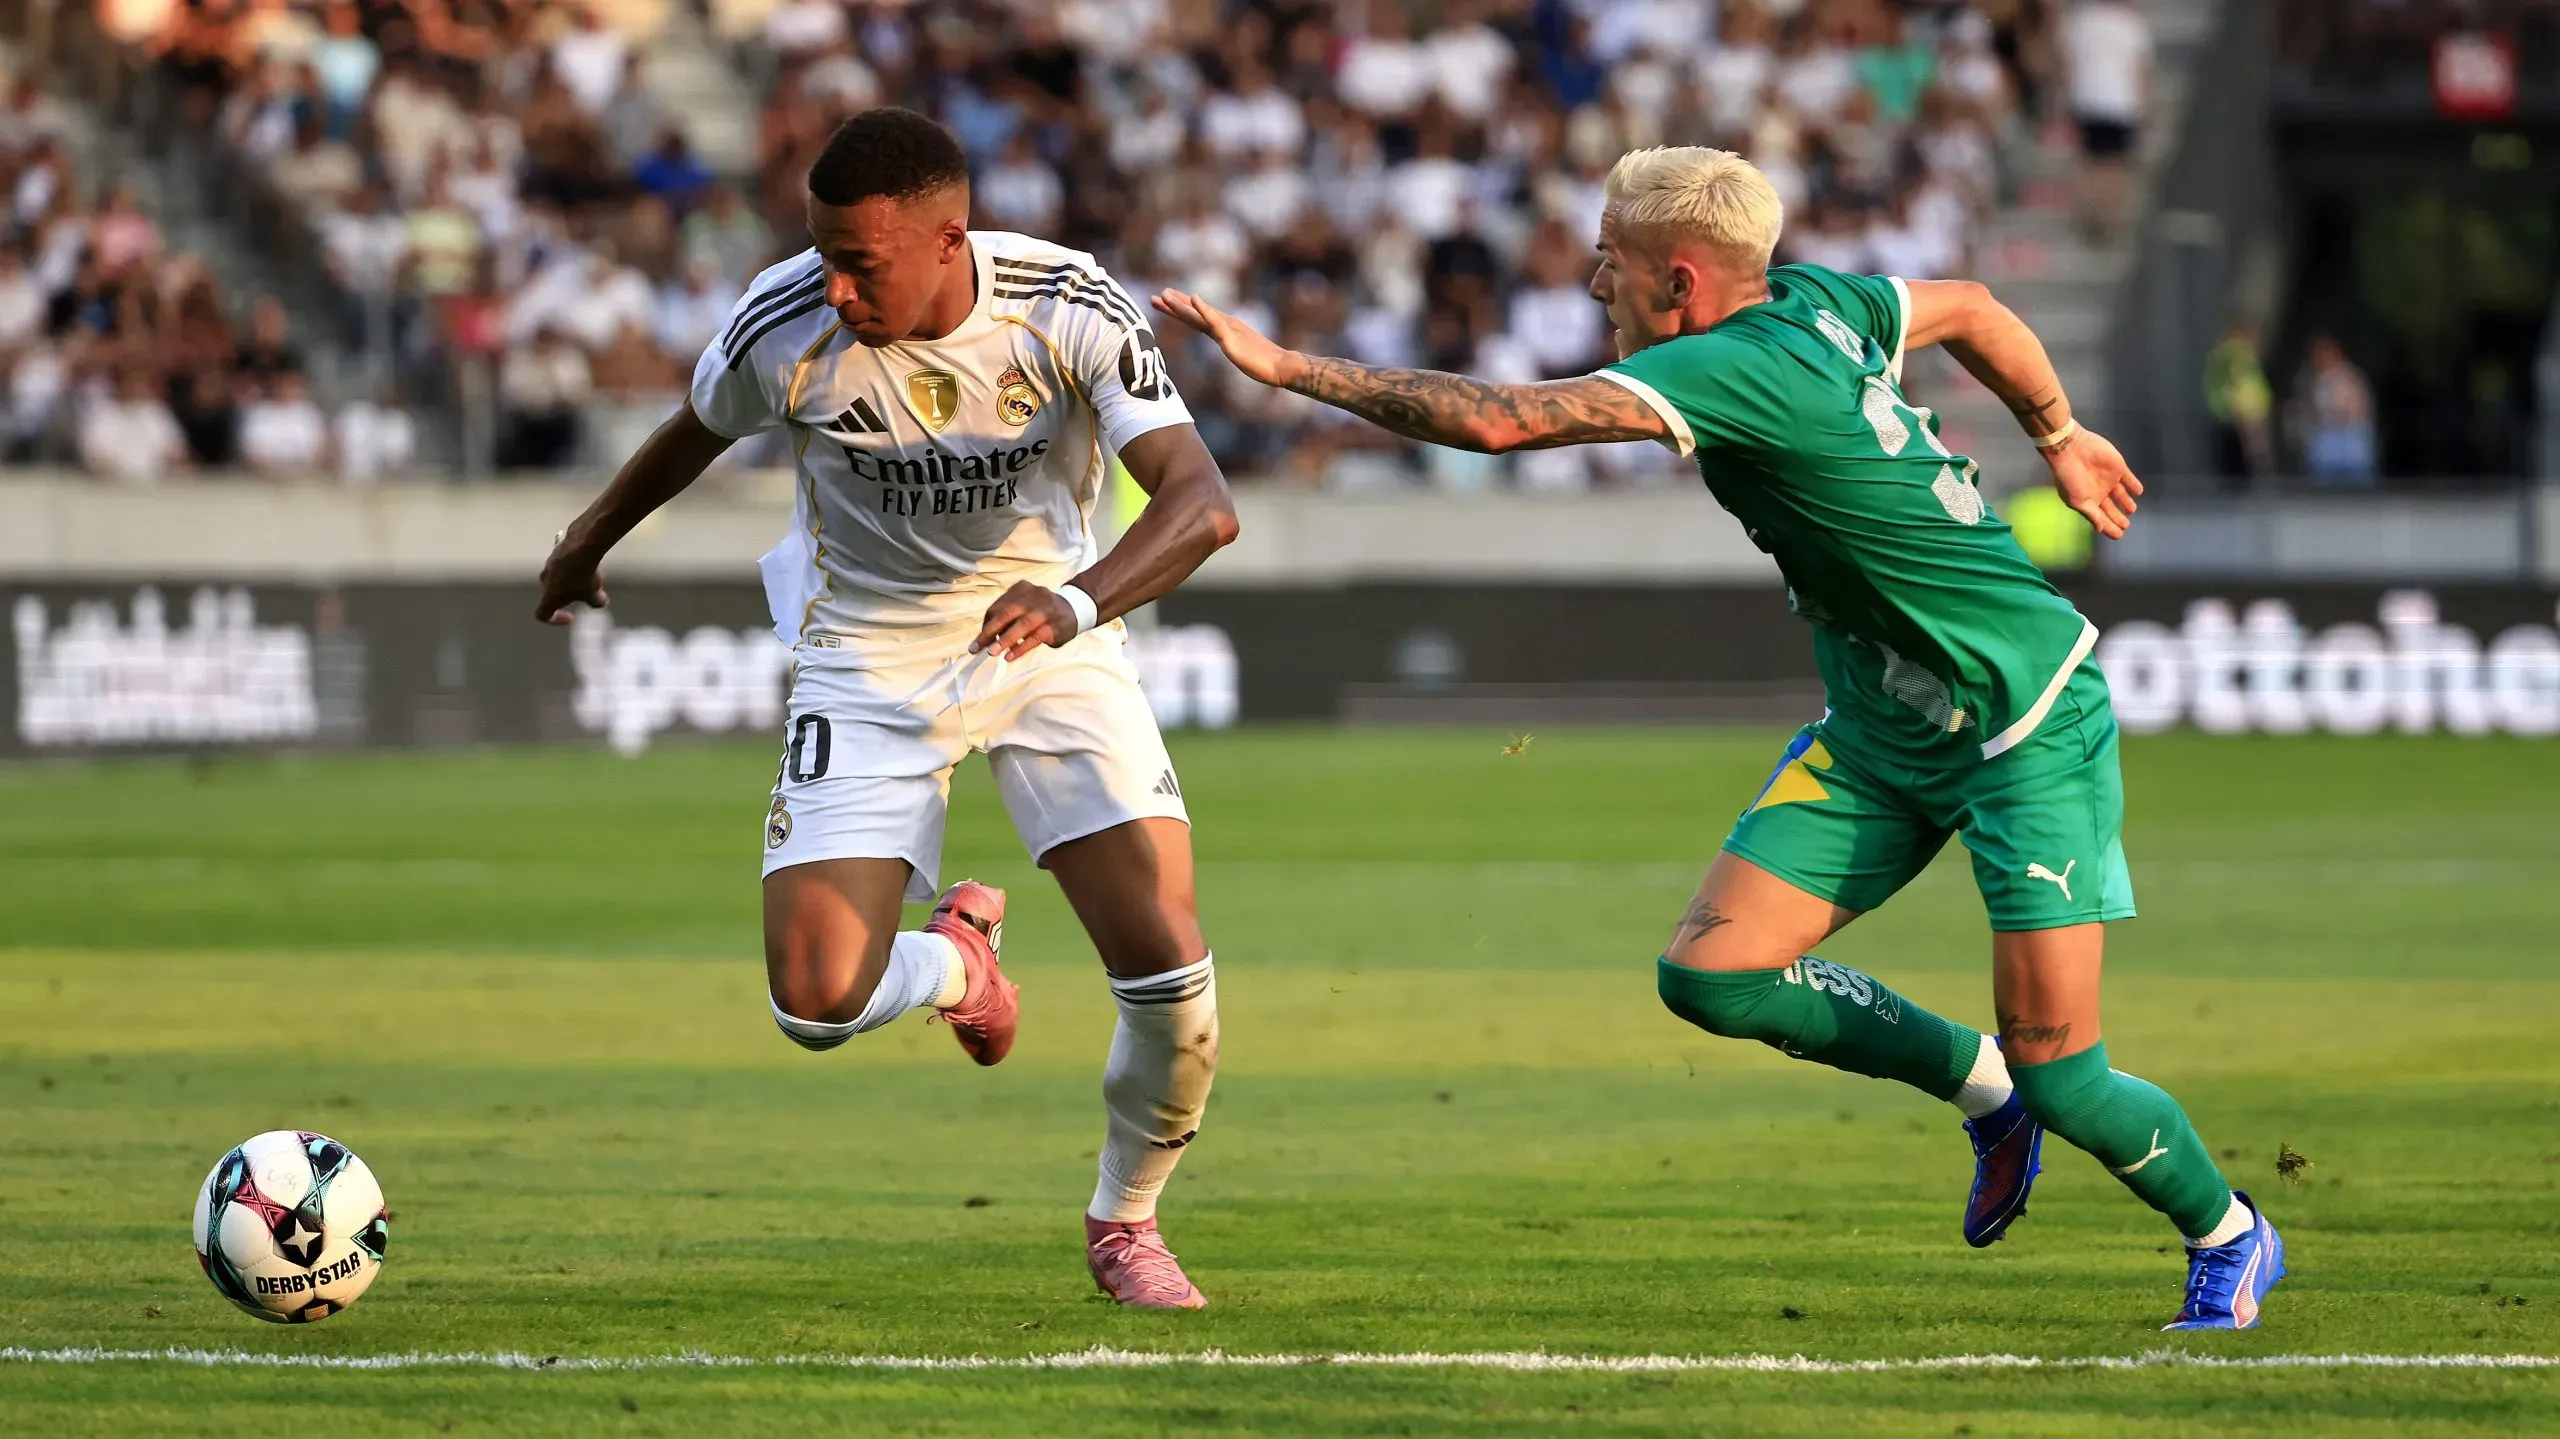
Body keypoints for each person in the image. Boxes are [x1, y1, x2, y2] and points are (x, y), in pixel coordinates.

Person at [1157, 145, 2284, 1332]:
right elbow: (1975, 310)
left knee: (2069, 1069)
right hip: (1882, 721)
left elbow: (1500, 423)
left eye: (1611, 261)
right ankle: (1980, 1087)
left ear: (1680, 282)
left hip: (2021, 722)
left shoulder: (1735, 365)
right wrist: (2056, 431)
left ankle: (2228, 1229)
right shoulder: (1821, 299)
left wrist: (1286, 368)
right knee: (1711, 973)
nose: (1597, 282)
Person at [534, 109, 1241, 1310]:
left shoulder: (1065, 304)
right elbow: (690, 436)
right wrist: (580, 542)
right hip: (866, 651)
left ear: (948, 235)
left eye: (862, 262)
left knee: (1171, 975)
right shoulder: (786, 322)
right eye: (822, 255)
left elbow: (1202, 505)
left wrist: (1072, 603)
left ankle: (1125, 1221)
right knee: (814, 1002)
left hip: (1053, 632)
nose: (838, 286)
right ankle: (962, 965)